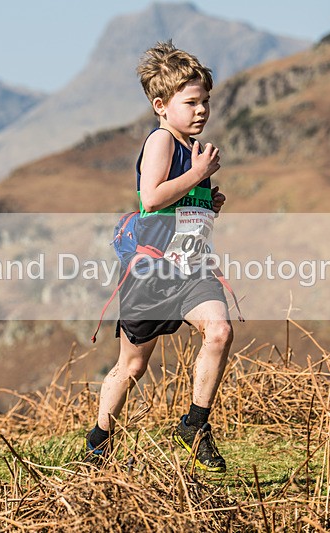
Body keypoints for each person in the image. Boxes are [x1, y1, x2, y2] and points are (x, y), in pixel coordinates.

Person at [84, 41, 234, 472]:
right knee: (132, 366)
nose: (201, 110)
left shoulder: (193, 147)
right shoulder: (162, 141)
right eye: (191, 102)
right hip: (152, 272)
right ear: (161, 105)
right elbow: (150, 198)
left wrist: (208, 201)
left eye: (205, 101)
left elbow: (179, 205)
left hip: (193, 269)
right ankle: (99, 440)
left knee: (219, 331)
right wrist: (198, 176)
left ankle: (195, 424)